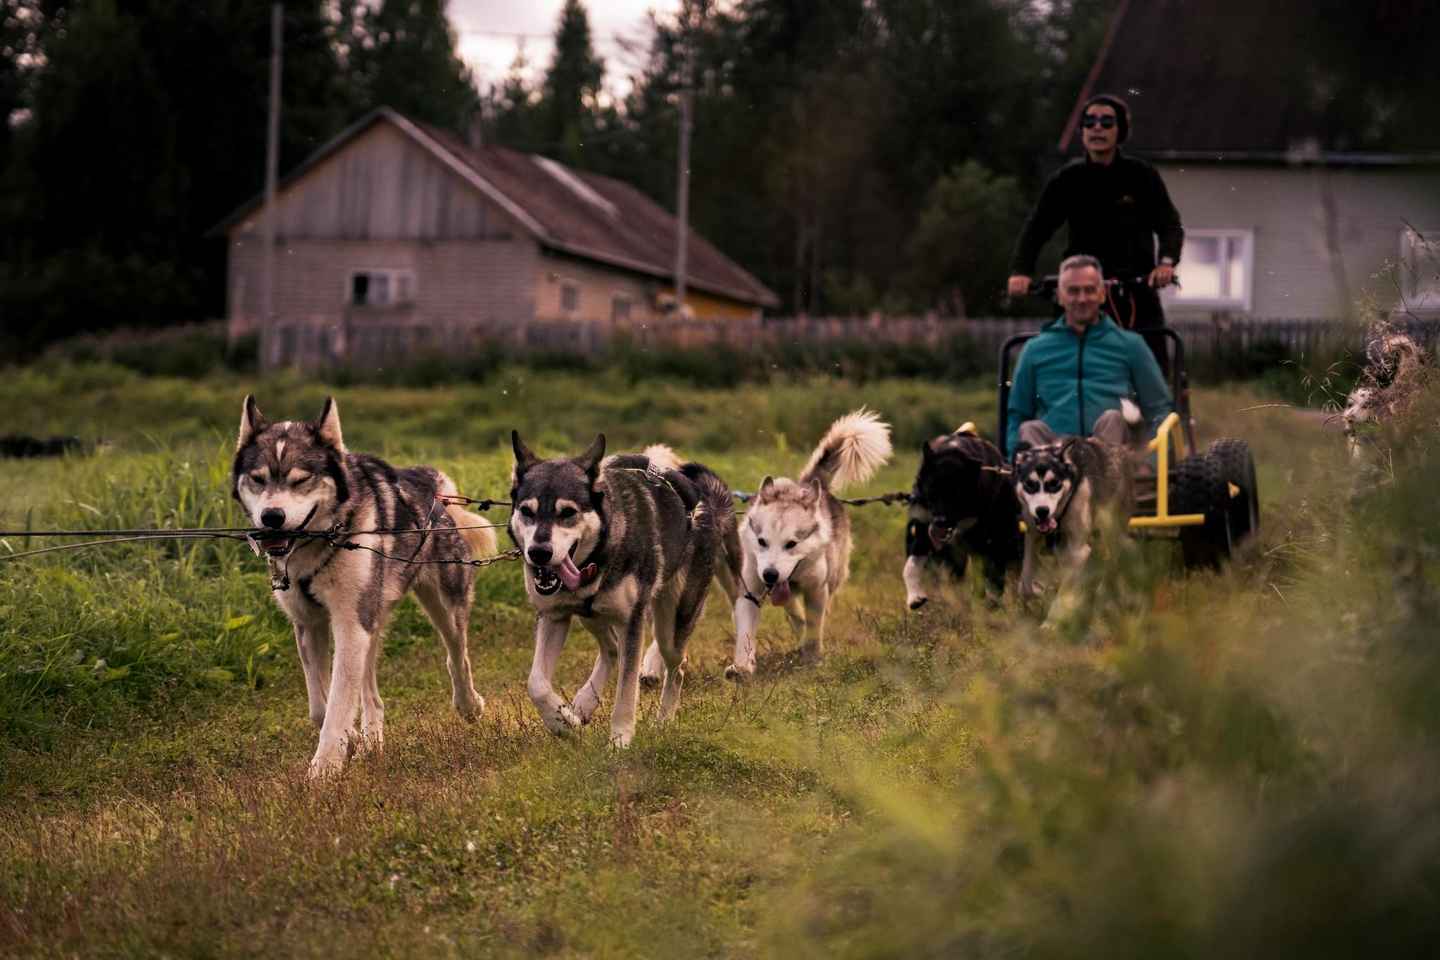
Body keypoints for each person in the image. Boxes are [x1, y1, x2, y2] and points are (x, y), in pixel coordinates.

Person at [1007, 94, 1183, 373]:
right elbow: (1037, 228)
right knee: (1061, 364)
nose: (1097, 128)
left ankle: (1164, 398)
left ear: (1120, 130)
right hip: (1082, 288)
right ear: (1082, 131)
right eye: (1089, 122)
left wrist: (1166, 263)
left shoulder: (1141, 175)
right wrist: (1021, 271)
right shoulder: (1068, 179)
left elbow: (1169, 224)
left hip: (1135, 289)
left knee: (1154, 367)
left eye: (1106, 122)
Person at [1006, 255, 1173, 457]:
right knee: (1030, 429)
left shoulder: (1131, 345)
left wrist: (1150, 463)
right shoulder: (1035, 349)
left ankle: (1106, 475)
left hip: (1114, 457)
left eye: (1090, 290)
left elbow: (1159, 411)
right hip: (1053, 459)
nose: (1082, 299)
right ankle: (1038, 474)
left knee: (1113, 419)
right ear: (1060, 296)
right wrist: (1012, 459)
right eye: (1073, 291)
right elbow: (1016, 415)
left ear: (1102, 294)